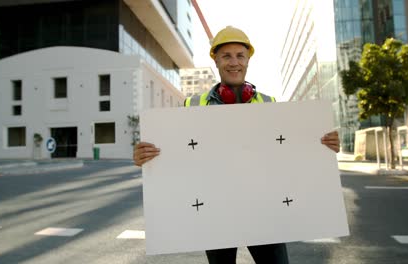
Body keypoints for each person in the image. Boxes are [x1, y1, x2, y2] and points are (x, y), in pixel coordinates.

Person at [133, 26, 340, 264]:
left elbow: (288, 151)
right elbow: (178, 156)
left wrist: (322, 146)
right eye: (226, 56)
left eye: (240, 55)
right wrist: (145, 157)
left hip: (264, 209)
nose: (234, 62)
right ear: (216, 61)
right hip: (216, 212)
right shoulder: (193, 106)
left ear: (248, 59)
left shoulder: (269, 104)